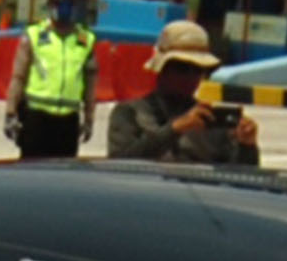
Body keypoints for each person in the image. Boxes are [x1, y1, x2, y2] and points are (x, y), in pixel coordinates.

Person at [104, 21, 259, 166]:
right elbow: (120, 163)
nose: (190, 78)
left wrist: (247, 146)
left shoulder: (211, 122)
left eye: (198, 70)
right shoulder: (130, 113)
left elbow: (239, 177)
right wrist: (174, 129)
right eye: (181, 69)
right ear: (162, 70)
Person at [6, 0, 95, 160]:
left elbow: (90, 83)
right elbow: (18, 77)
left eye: (69, 1)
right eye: (59, 0)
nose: (64, 6)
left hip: (68, 122)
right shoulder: (34, 35)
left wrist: (89, 118)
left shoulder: (85, 39)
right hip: (36, 118)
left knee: (63, 179)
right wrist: (10, 113)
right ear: (50, 2)